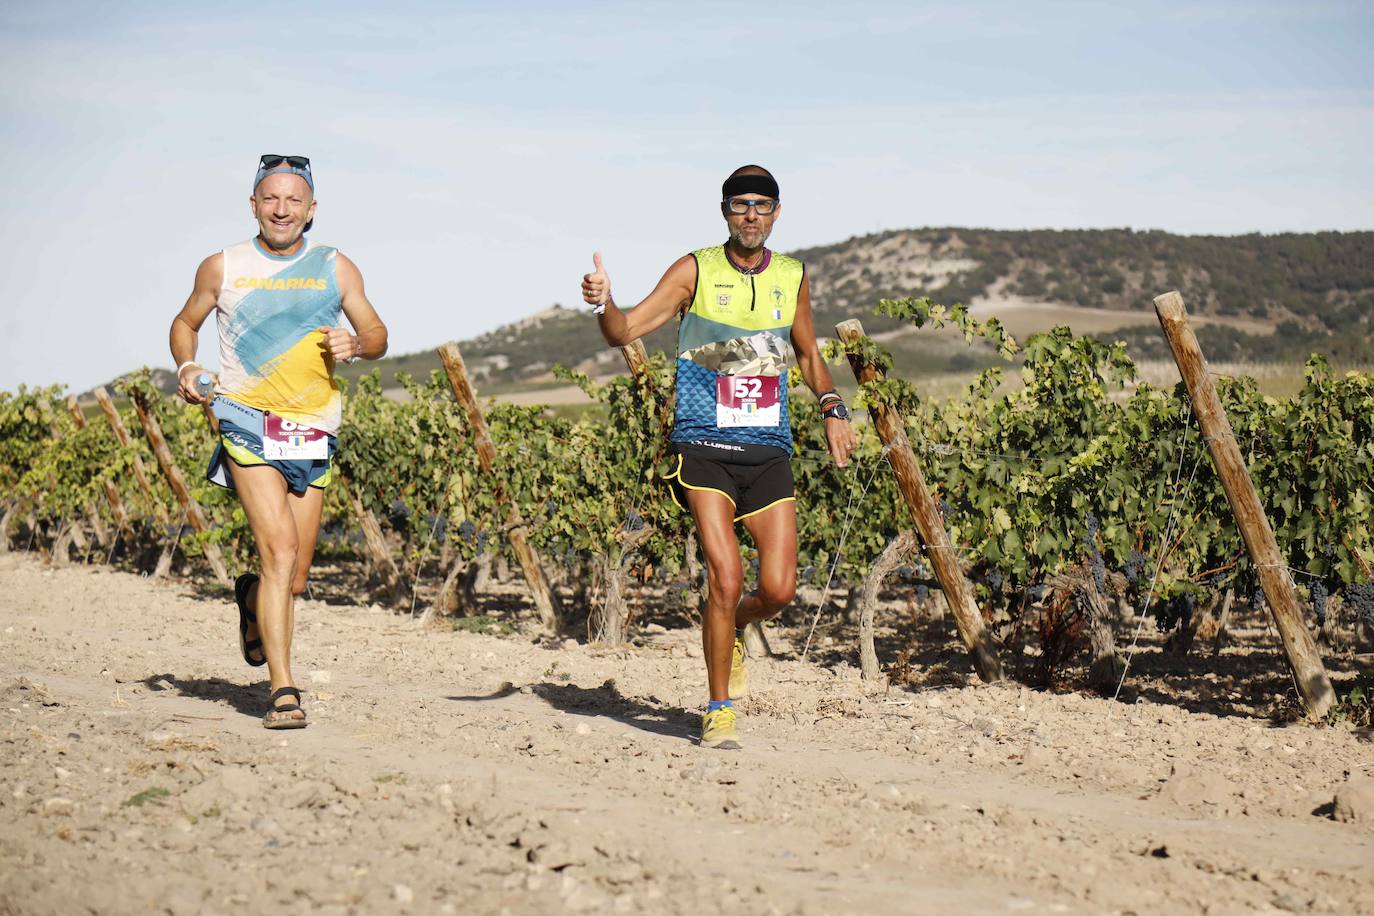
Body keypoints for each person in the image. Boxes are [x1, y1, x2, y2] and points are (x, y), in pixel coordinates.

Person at [582, 164, 857, 749]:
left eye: (761, 205)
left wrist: (832, 406)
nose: (750, 214)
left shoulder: (792, 275)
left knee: (779, 590)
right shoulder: (695, 270)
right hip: (703, 448)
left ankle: (726, 628)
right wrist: (604, 303)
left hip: (768, 451)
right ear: (725, 211)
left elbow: (807, 355)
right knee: (726, 578)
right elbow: (623, 330)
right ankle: (719, 708)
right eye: (739, 204)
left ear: (778, 212)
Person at [169, 154, 388, 729]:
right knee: (280, 551)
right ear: (254, 206)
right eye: (271, 198)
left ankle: (251, 603)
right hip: (245, 418)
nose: (282, 209)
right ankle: (284, 690)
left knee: (292, 577)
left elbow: (376, 332)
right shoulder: (224, 266)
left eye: (294, 200)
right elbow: (185, 322)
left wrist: (357, 345)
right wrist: (188, 367)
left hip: (314, 426)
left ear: (311, 209)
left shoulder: (336, 268)